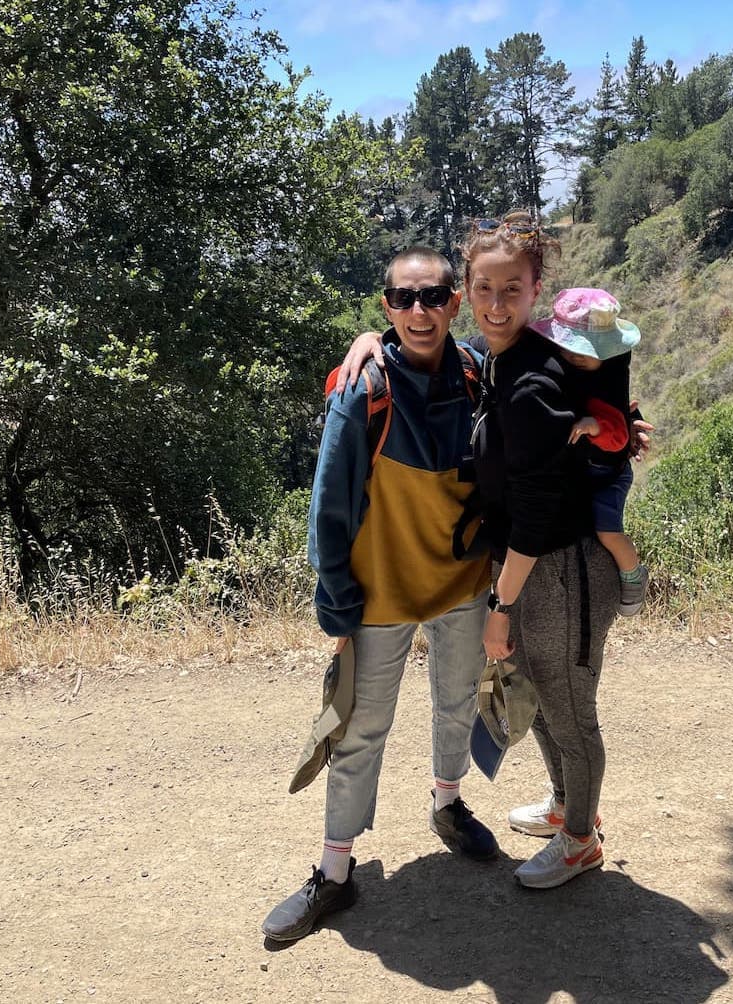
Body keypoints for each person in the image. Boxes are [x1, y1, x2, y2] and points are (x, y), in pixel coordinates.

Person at [261, 247, 498, 944]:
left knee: (458, 703)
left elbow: (561, 369)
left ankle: (447, 806)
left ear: (455, 302)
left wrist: (614, 424)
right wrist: (335, 605)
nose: (418, 311)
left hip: (461, 581)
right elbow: (329, 506)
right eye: (403, 299)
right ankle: (334, 874)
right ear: (385, 305)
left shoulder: (478, 374)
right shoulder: (363, 386)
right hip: (379, 590)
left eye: (433, 297)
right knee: (360, 730)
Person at [464, 211, 622, 888]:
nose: (496, 305)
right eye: (483, 289)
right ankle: (564, 810)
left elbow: (534, 514)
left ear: (535, 292)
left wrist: (500, 608)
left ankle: (581, 841)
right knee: (538, 694)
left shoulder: (528, 382)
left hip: (560, 569)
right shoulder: (505, 360)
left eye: (511, 290)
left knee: (569, 711)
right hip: (530, 565)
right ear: (467, 290)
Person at [534, 287, 650, 617]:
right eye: (569, 349)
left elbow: (617, 438)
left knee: (608, 532)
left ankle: (632, 575)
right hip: (587, 473)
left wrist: (593, 425)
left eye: (586, 351)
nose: (574, 357)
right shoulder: (582, 374)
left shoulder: (604, 385)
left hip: (608, 477)